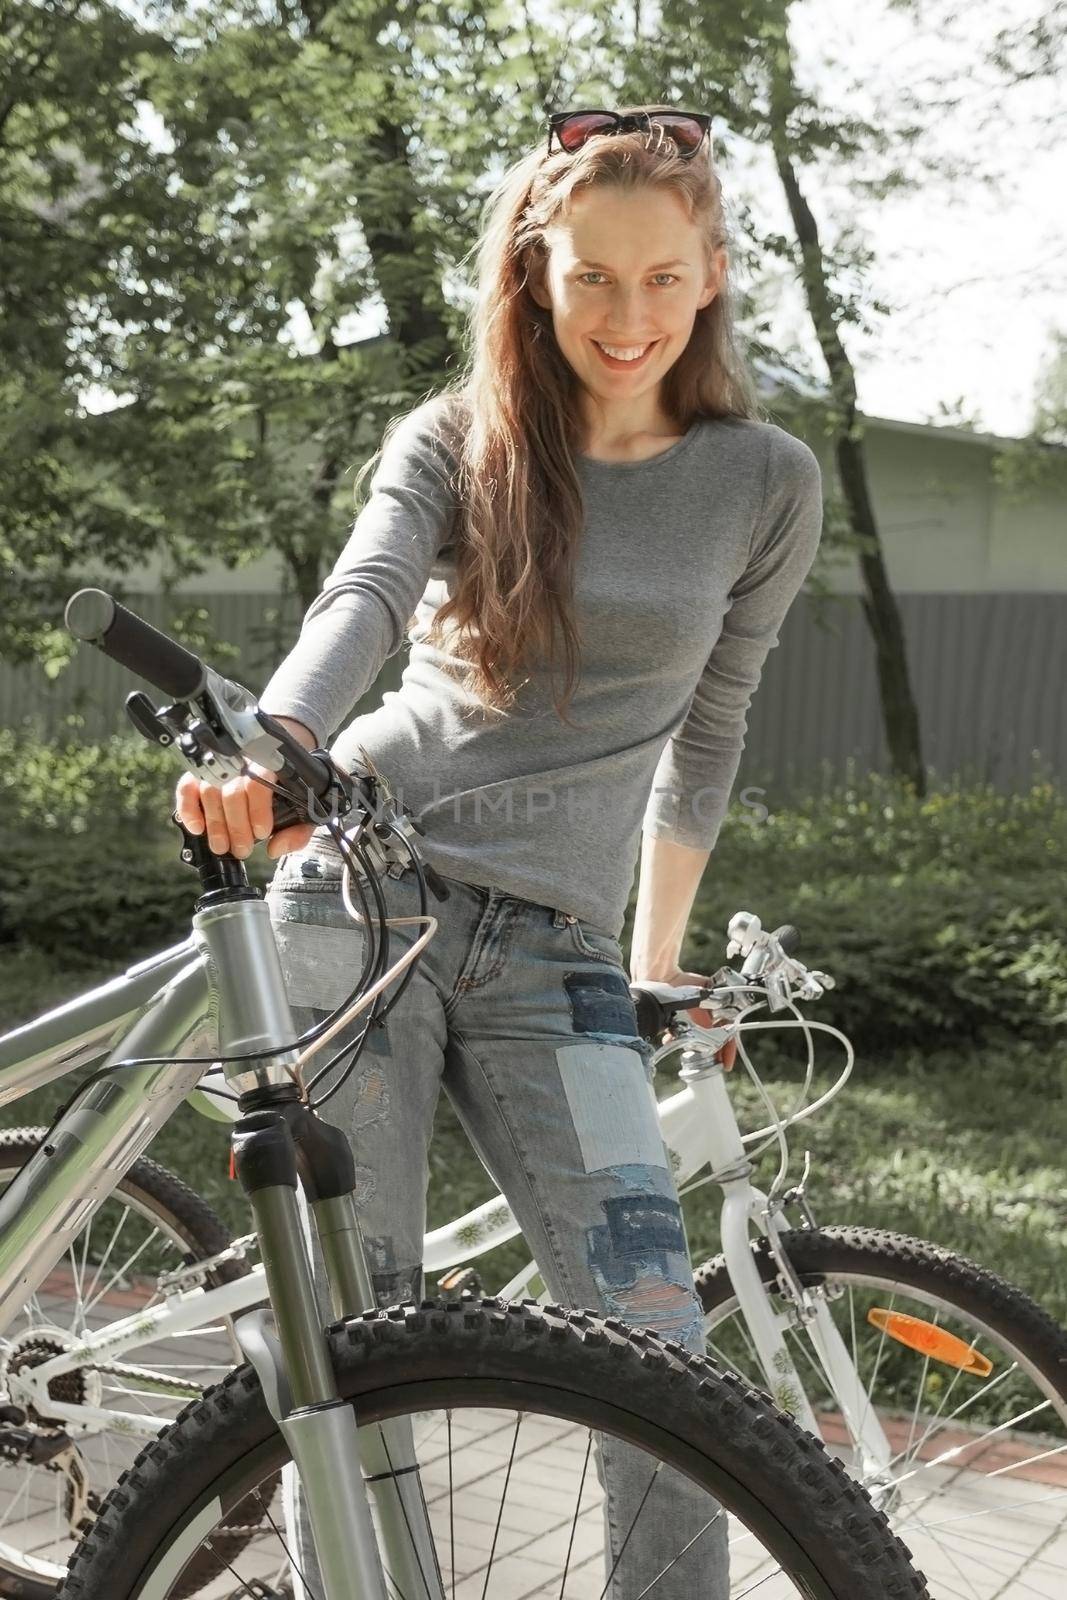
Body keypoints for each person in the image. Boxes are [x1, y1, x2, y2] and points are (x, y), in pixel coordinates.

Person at [177, 103, 822, 1599]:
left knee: (662, 1357)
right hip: (362, 883)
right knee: (367, 1331)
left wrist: (655, 961)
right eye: (592, 276)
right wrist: (275, 746)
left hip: (560, 946)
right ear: (535, 271)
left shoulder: (765, 480)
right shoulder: (459, 439)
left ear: (713, 273)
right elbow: (364, 598)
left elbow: (710, 730)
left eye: (662, 278)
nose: (627, 316)